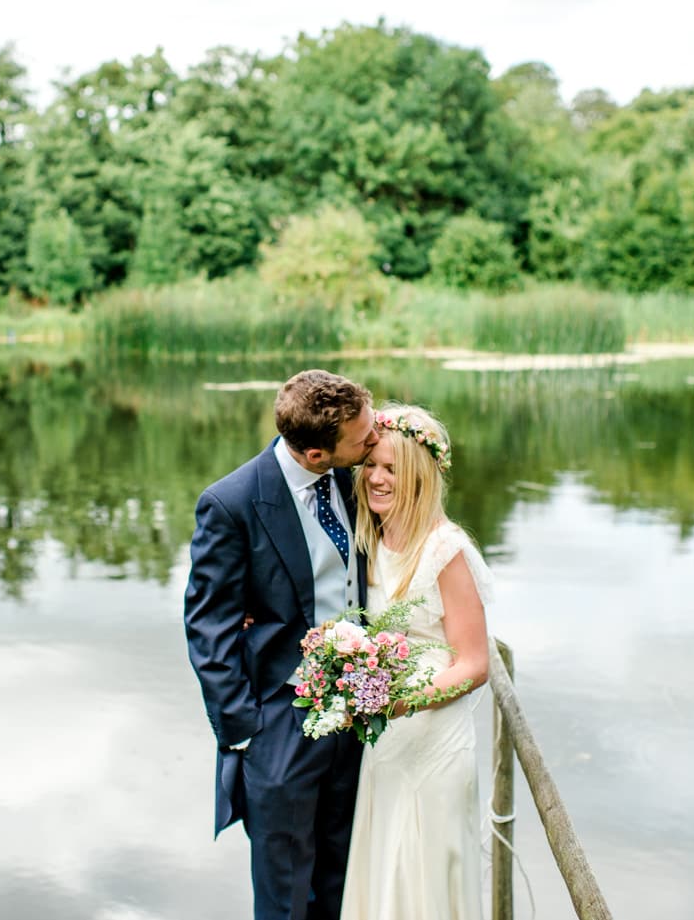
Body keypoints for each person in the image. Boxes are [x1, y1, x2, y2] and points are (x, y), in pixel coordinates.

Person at [184, 369, 380, 920]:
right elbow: (208, 627)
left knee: (340, 878)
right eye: (362, 438)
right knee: (285, 892)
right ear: (317, 453)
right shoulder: (231, 503)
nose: (373, 442)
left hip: (356, 715)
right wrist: (245, 731)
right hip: (279, 721)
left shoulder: (354, 476)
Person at [340, 403, 493, 920]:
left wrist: (404, 704)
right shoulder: (371, 539)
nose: (377, 479)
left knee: (428, 873)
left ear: (419, 476)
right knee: (386, 868)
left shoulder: (444, 549)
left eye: (392, 469)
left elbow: (475, 664)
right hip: (386, 741)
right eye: (371, 466)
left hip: (434, 739)